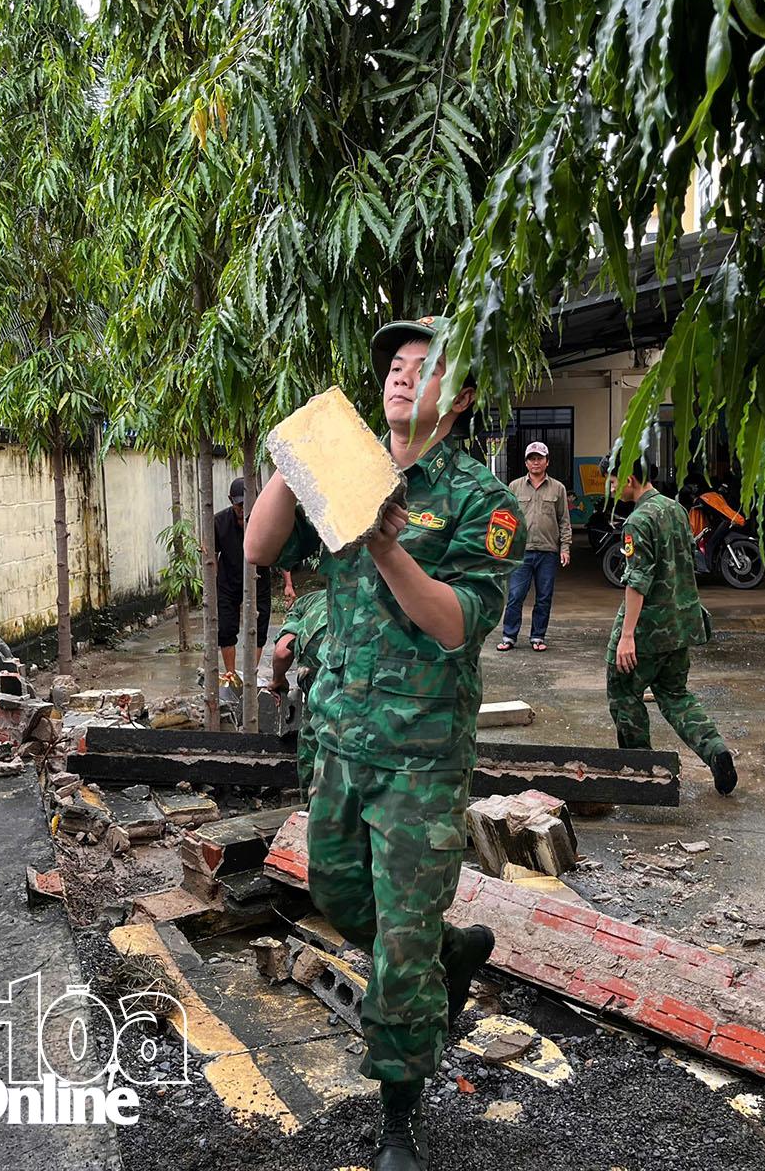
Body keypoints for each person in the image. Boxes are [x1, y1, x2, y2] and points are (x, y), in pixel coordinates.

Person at [246, 315, 524, 1171]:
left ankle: (399, 1110)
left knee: (397, 941)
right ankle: (451, 950)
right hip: (337, 738)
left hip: (422, 757)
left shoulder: (483, 500)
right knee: (334, 887)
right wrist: (299, 455)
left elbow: (454, 625)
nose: (403, 377)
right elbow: (261, 547)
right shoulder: (348, 472)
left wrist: (385, 542)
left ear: (462, 395)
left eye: (425, 367)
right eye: (395, 367)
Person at [602, 441, 737, 796]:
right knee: (675, 694)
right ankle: (716, 750)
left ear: (630, 478)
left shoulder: (638, 521)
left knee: (623, 694)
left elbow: (637, 580)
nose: (612, 488)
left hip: (649, 630)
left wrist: (627, 636)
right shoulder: (675, 509)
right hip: (681, 624)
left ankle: (640, 775)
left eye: (614, 482)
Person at [498, 441, 572, 652]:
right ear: (526, 463)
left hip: (548, 552)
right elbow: (507, 519)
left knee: (544, 597)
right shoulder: (514, 486)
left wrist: (565, 548)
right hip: (522, 552)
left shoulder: (558, 488)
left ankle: (537, 636)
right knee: (515, 595)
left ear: (547, 462)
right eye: (532, 458)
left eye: (539, 458)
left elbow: (564, 521)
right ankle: (509, 636)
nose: (536, 462)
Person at [213, 476, 275, 688]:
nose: (243, 508)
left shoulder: (265, 519)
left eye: (247, 503)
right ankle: (230, 674)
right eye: (239, 504)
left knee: (259, 628)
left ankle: (251, 674)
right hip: (228, 582)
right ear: (231, 500)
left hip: (259, 581)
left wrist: (288, 583)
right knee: (226, 629)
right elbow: (211, 555)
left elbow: (279, 550)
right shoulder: (219, 522)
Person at [269, 588, 328, 792]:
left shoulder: (303, 603)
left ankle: (311, 803)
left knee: (314, 726)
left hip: (319, 655)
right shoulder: (361, 594)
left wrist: (277, 680)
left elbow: (283, 651)